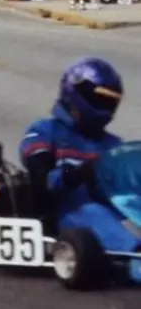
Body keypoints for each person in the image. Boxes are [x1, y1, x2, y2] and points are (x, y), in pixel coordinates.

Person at [19, 57, 141, 283]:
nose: (106, 107)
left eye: (111, 101)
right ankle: (135, 256)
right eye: (101, 98)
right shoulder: (43, 131)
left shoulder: (113, 145)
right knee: (95, 214)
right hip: (65, 211)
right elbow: (41, 180)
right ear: (77, 93)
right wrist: (78, 174)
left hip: (113, 208)